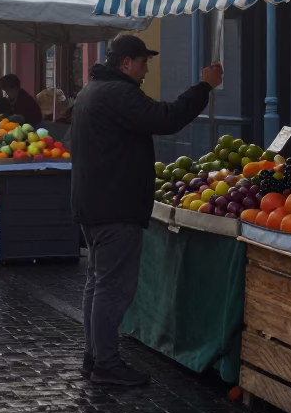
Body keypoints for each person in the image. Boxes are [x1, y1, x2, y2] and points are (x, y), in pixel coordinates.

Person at [70, 34, 222, 387]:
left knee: (97, 283)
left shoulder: (90, 91)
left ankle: (94, 357)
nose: (146, 69)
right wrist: (203, 86)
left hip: (93, 204)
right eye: (142, 62)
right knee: (112, 287)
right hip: (114, 206)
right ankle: (105, 364)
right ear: (125, 63)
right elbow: (166, 117)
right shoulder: (118, 94)